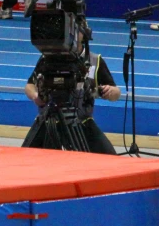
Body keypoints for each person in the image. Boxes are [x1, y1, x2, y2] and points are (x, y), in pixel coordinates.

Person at [23, 21, 122, 154]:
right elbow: (29, 85)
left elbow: (116, 93)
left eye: (77, 29)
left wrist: (111, 92)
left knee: (109, 157)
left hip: (81, 121)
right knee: (25, 157)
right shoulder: (48, 58)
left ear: (85, 33)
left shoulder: (95, 61)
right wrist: (35, 95)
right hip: (49, 118)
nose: (73, 33)